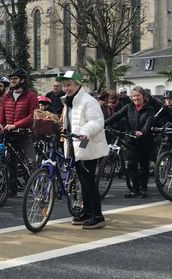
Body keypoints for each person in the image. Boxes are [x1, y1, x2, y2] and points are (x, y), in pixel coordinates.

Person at [57, 71, 108, 229]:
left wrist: (85, 131)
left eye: (69, 85)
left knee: (88, 181)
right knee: (83, 179)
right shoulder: (69, 101)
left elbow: (98, 122)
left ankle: (97, 215)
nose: (66, 88)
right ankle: (87, 212)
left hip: (86, 142)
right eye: (64, 85)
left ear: (78, 84)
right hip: (74, 143)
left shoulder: (88, 101)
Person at [105, 86, 155, 198]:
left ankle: (143, 188)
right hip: (130, 140)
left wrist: (142, 132)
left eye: (138, 95)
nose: (136, 98)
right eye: (134, 96)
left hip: (144, 141)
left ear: (144, 97)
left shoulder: (149, 109)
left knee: (144, 165)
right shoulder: (128, 107)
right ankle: (135, 189)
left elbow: (149, 123)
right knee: (132, 165)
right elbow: (116, 116)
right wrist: (103, 124)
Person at [0, 68, 38, 195]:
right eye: (11, 78)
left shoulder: (31, 96)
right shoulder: (7, 96)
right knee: (9, 162)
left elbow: (32, 116)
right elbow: (1, 113)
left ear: (22, 80)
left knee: (31, 162)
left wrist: (15, 125)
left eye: (15, 79)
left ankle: (37, 189)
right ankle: (12, 189)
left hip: (24, 134)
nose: (12, 81)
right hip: (9, 135)